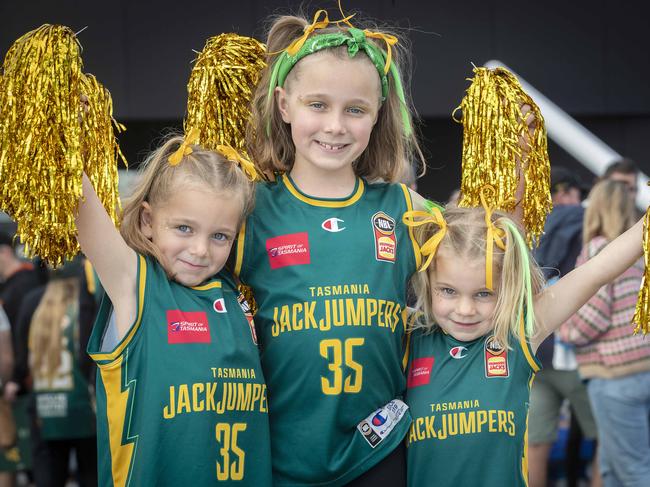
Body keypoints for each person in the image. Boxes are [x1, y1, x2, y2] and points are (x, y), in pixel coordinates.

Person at [237, 7, 425, 486]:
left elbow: (491, 258)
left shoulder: (403, 208)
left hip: (378, 451)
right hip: (279, 455)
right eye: (317, 105)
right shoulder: (249, 209)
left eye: (355, 109)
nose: (336, 126)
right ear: (284, 105)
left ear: (377, 113)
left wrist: (520, 165)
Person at [403, 192, 644, 487]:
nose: (465, 310)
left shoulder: (516, 335)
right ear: (427, 284)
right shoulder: (406, 336)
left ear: (508, 288)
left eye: (483, 293)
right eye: (448, 291)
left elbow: (598, 270)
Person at [78, 133, 272, 485]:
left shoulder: (236, 294)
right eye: (184, 228)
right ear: (148, 221)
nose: (199, 250)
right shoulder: (135, 284)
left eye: (220, 236)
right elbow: (73, 191)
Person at [559, 179, 650, 487]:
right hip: (642, 368)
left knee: (634, 471)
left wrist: (562, 327)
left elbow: (591, 318)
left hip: (614, 376)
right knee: (612, 469)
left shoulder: (600, 249)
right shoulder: (640, 252)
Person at [529, 166, 599, 487]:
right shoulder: (589, 223)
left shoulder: (525, 224)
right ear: (567, 193)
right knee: (608, 441)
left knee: (535, 444)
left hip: (535, 348)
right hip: (576, 351)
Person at [13, 259, 97, 487]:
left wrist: (18, 380)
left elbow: (21, 357)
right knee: (92, 475)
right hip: (84, 403)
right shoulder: (86, 300)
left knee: (48, 477)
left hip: (45, 403)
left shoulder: (33, 300)